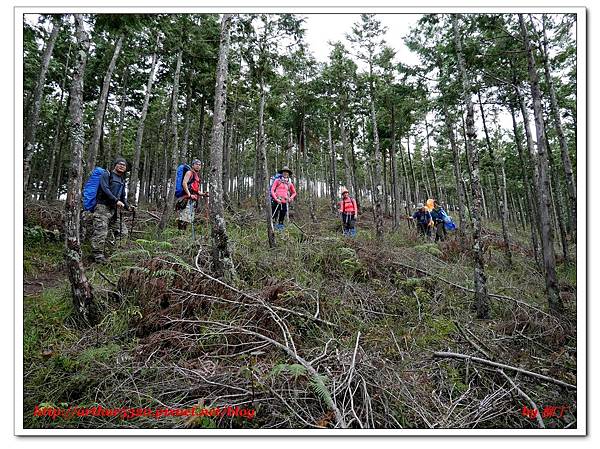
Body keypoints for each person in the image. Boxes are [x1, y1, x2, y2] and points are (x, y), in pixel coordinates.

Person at [91, 157, 135, 262]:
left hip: (114, 210)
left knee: (123, 232)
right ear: (115, 165)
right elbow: (105, 189)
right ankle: (98, 256)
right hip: (102, 207)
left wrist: (128, 206)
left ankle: (116, 254)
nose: (121, 166)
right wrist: (116, 200)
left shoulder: (122, 180)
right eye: (119, 164)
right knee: (101, 231)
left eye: (124, 165)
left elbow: (123, 197)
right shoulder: (107, 175)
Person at [175, 159, 208, 231]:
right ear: (192, 165)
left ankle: (183, 235)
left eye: (199, 165)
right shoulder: (189, 173)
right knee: (183, 219)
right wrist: (189, 195)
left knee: (188, 219)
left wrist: (203, 194)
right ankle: (180, 235)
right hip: (186, 199)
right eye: (196, 164)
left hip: (192, 200)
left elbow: (195, 190)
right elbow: (184, 183)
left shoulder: (196, 176)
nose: (198, 166)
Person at [270, 166, 297, 230]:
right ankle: (272, 229)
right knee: (274, 215)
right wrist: (276, 198)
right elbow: (272, 190)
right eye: (284, 172)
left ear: (288, 174)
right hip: (275, 201)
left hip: (284, 202)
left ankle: (280, 229)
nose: (285, 173)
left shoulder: (289, 183)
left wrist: (290, 198)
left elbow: (294, 192)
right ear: (282, 173)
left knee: (282, 217)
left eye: (287, 172)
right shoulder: (277, 181)